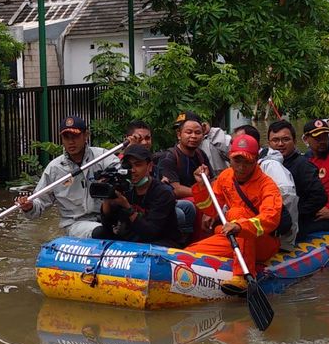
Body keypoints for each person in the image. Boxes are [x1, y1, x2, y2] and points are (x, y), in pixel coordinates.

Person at [186, 134, 283, 293]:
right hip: (233, 236)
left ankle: (242, 277)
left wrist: (240, 226)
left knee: (237, 213)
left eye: (247, 162)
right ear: (230, 158)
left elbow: (270, 219)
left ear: (256, 160)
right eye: (237, 161)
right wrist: (202, 186)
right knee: (191, 253)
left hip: (262, 241)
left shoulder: (268, 186)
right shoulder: (226, 177)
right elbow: (211, 209)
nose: (241, 167)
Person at [16, 115, 118, 237]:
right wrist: (29, 206)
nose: (71, 142)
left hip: (107, 217)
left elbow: (122, 171)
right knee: (102, 232)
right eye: (66, 137)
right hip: (76, 224)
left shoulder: (102, 157)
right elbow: (39, 203)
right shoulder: (54, 169)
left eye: (75, 136)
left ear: (86, 135)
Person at [92, 144, 182, 247]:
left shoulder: (163, 193)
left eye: (138, 165)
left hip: (160, 242)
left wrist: (127, 208)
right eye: (128, 166)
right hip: (132, 240)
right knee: (99, 233)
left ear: (149, 166)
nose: (133, 170)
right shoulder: (125, 188)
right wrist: (107, 198)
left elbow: (150, 233)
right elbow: (108, 226)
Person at [234, 124, 298, 250]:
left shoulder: (271, 166)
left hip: (266, 233)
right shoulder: (233, 170)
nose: (234, 144)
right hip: (243, 227)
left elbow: (288, 198)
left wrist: (284, 239)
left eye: (238, 141)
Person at [266, 120, 328, 237]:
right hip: (269, 216)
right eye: (275, 140)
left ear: (294, 141)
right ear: (268, 143)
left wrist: (294, 212)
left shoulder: (303, 165)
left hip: (295, 222)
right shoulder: (264, 164)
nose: (280, 144)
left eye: (285, 139)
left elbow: (320, 197)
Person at [157, 111, 212, 239]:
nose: (193, 136)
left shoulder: (200, 155)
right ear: (179, 135)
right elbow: (176, 189)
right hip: (178, 202)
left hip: (197, 197)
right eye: (188, 132)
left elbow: (213, 180)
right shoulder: (169, 157)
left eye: (197, 133)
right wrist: (202, 192)